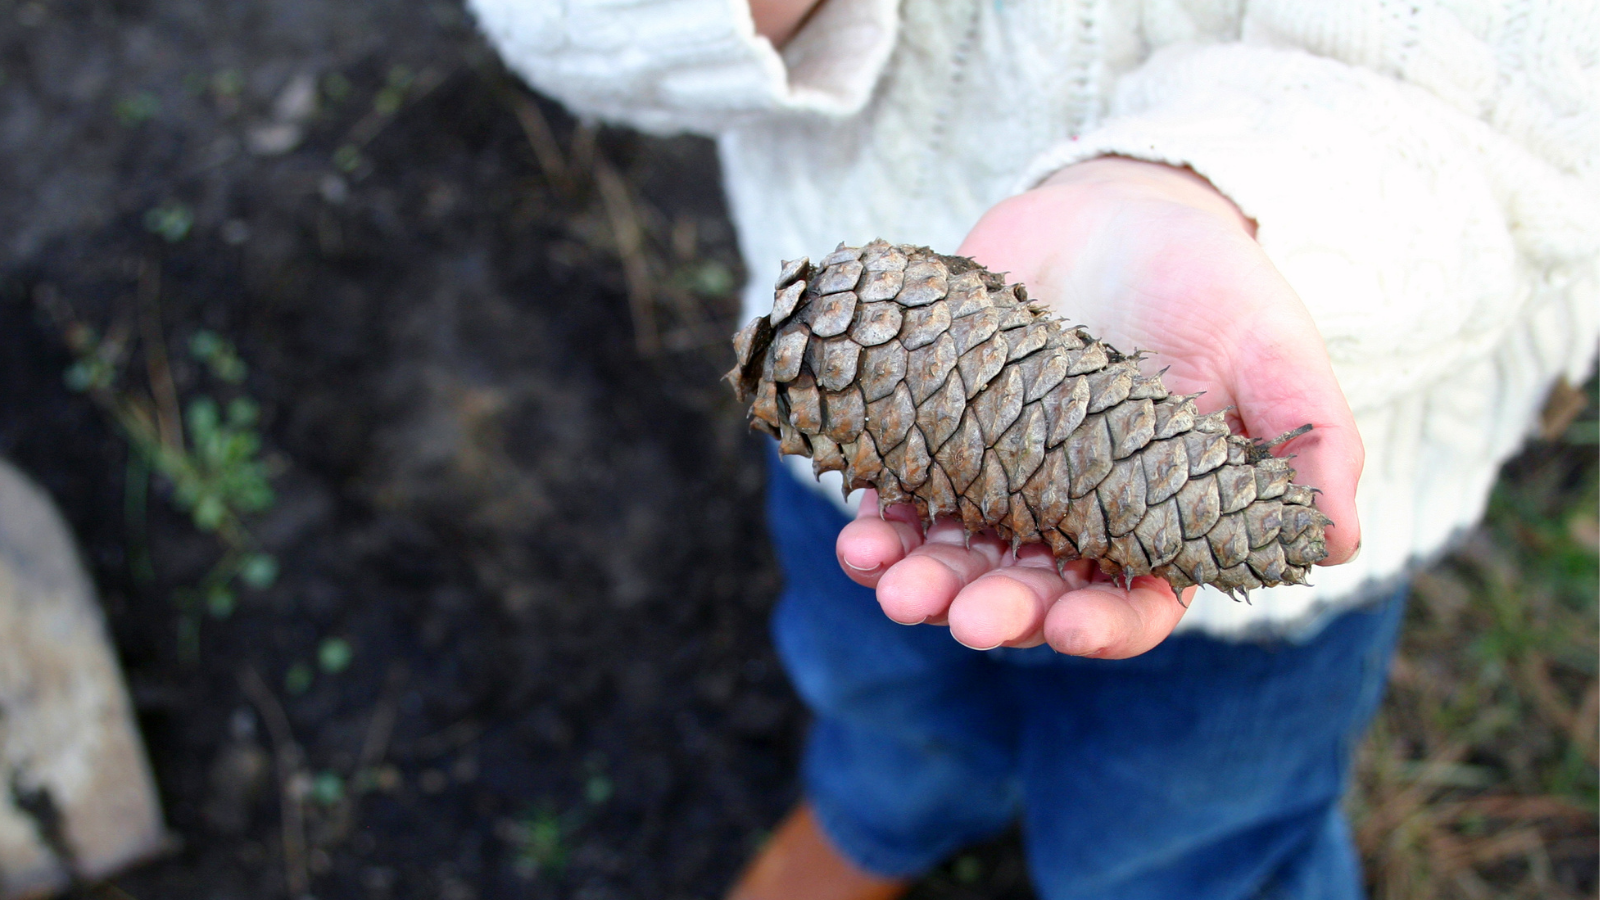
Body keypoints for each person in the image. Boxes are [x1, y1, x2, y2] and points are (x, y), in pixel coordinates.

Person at [467, 2, 1599, 897]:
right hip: (860, 421)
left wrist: (1201, 186)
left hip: (1298, 403)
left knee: (1194, 824)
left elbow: (1535, 83)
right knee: (879, 686)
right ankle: (882, 818)